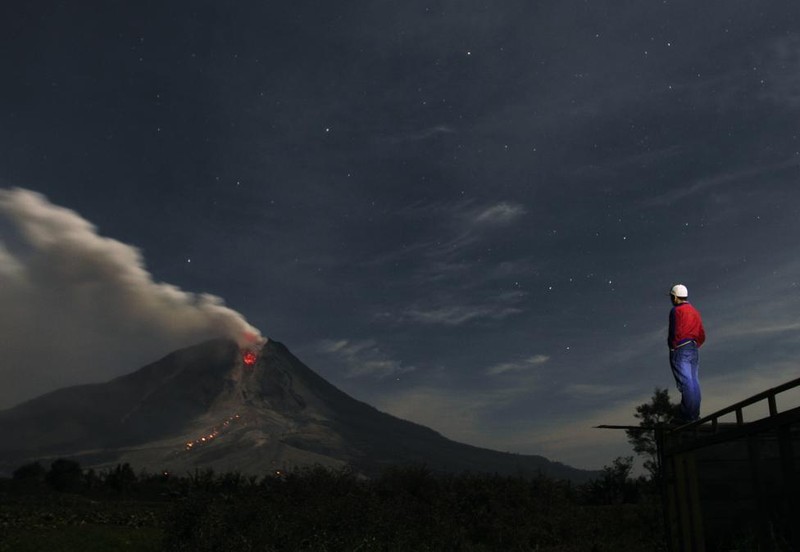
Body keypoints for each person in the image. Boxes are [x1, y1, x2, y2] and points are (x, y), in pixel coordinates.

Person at [667, 284, 706, 423]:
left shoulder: (676, 311)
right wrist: (695, 345)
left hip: (681, 348)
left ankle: (687, 416)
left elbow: (674, 331)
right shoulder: (695, 311)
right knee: (694, 381)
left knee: (686, 382)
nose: (671, 299)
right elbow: (702, 334)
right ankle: (694, 414)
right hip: (693, 348)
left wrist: (673, 346)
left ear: (676, 296)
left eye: (672, 297)